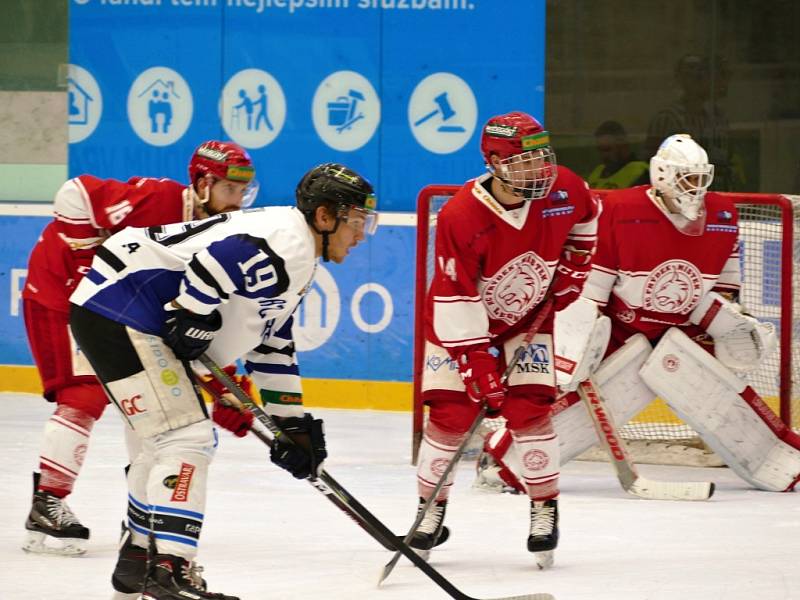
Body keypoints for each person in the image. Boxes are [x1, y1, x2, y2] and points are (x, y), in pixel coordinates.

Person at [68, 163, 378, 598]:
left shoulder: (298, 251)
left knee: (163, 442)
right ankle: (170, 570)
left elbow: (271, 343)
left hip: (115, 307)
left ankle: (139, 559)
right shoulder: (289, 241)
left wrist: (290, 424)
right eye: (357, 221)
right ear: (325, 217)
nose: (362, 233)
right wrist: (192, 312)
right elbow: (216, 262)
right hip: (123, 306)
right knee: (186, 438)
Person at [477, 134, 800, 494]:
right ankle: (507, 460)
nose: (694, 188)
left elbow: (726, 285)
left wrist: (729, 319)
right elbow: (593, 285)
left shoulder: (722, 214)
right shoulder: (622, 209)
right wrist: (574, 345)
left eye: (699, 179)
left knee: (718, 395)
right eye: (686, 178)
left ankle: (784, 459)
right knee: (589, 403)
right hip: (623, 330)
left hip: (686, 327)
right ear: (662, 174)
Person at [22, 140, 258, 557]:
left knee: (153, 409)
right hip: (59, 295)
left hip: (121, 313)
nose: (238, 203)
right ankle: (48, 500)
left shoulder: (219, 238)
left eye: (244, 192)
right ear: (202, 184)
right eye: (229, 190)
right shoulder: (159, 199)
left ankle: (141, 514)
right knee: (84, 394)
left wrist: (227, 388)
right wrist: (86, 264)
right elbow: (74, 193)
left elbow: (202, 321)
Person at [413, 111, 599, 569]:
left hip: (527, 318)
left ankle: (544, 507)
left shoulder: (564, 189)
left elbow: (589, 217)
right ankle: (429, 511)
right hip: (459, 325)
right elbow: (457, 295)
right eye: (524, 162)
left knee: (530, 407)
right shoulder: (461, 215)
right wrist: (478, 365)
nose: (540, 171)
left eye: (542, 158)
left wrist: (575, 267)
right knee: (452, 414)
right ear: (494, 163)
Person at [586, 120, 649, 189]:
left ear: (623, 147)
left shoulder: (641, 172)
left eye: (607, 149)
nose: (603, 155)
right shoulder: (597, 171)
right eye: (600, 150)